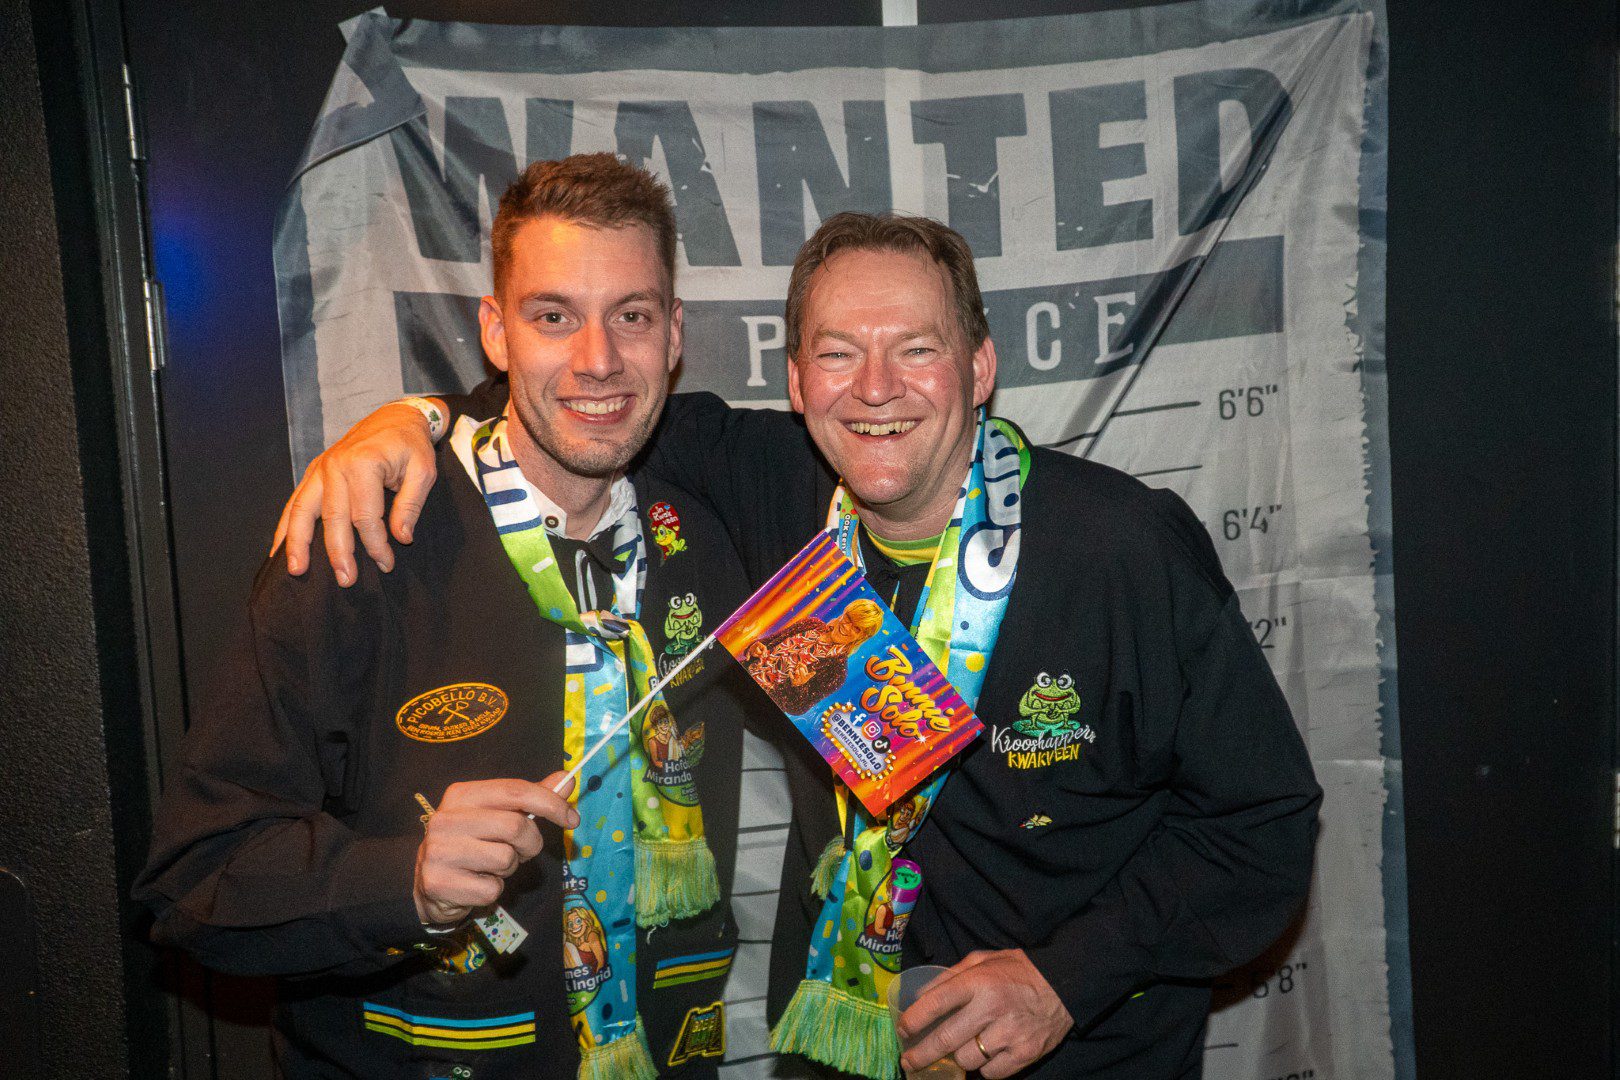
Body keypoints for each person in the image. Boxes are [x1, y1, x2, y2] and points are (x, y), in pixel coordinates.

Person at [276, 210, 1323, 1080]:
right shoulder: (770, 487)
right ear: (795, 380)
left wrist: (1064, 980)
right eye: (837, 353)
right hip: (837, 1050)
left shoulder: (1122, 549)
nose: (875, 387)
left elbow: (1265, 825)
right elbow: (581, 401)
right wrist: (410, 419)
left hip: (1079, 1054)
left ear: (979, 366)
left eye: (916, 348)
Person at [135, 155, 774, 1079]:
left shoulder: (721, 522)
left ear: (673, 334)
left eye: (631, 316)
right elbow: (193, 879)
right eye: (553, 316)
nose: (598, 359)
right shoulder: (363, 536)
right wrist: (401, 884)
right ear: (495, 332)